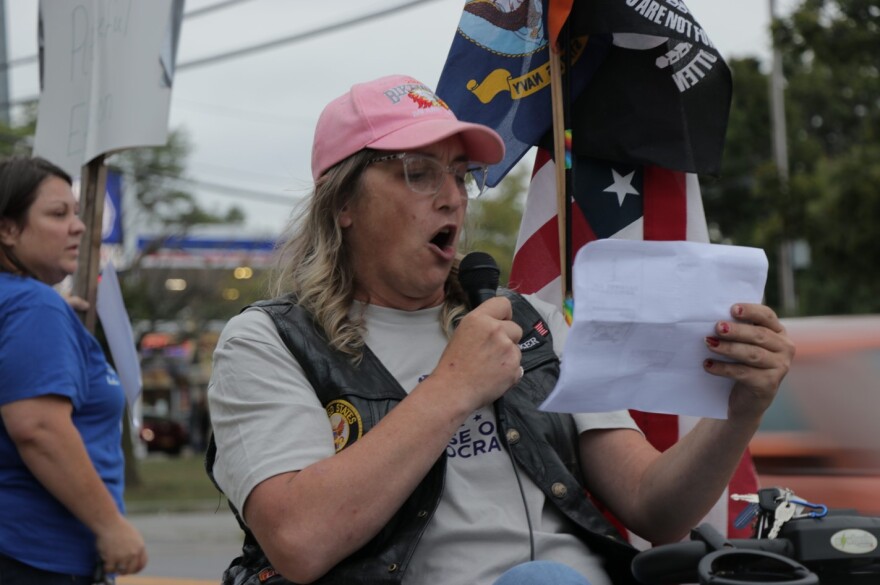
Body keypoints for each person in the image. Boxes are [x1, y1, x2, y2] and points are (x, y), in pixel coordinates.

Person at [207, 75, 795, 585]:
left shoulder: (529, 323)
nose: (450, 199)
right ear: (343, 203)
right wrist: (453, 387)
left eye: (460, 175)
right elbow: (299, 542)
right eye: (418, 173)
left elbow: (655, 508)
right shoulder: (269, 343)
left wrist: (738, 410)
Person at [0, 156, 147, 583]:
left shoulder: (26, 305)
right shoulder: (32, 305)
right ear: (7, 229)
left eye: (77, 214)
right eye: (58, 214)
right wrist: (110, 526)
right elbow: (38, 429)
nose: (79, 227)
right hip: (38, 558)